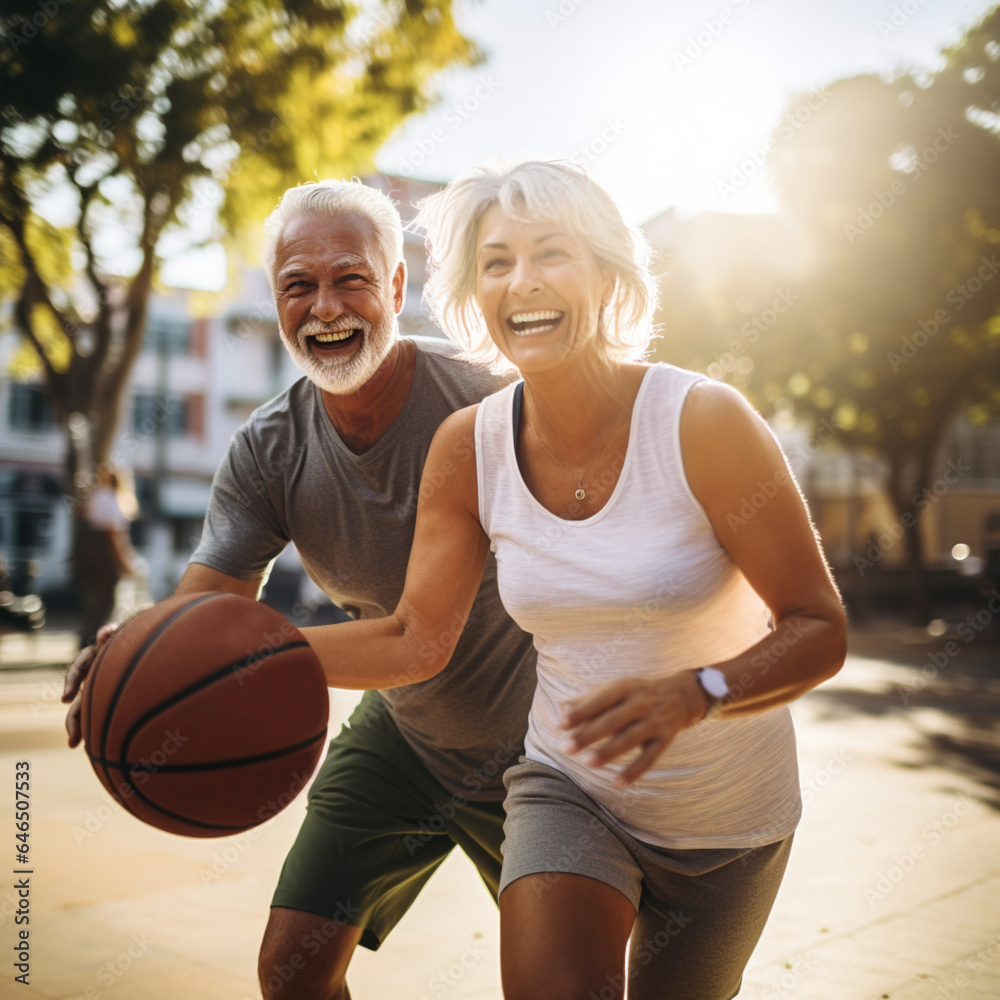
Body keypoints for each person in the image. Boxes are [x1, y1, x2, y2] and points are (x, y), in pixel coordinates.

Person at [298, 161, 849, 1000]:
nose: (521, 282)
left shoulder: (704, 421)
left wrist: (698, 690)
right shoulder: (467, 447)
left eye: (551, 253)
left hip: (729, 824)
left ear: (605, 273)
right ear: (473, 292)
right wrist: (241, 656)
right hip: (570, 789)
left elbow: (819, 627)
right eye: (495, 262)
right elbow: (415, 638)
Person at [63, 179, 538, 1000]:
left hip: (540, 748)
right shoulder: (270, 449)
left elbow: (418, 639)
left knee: (578, 984)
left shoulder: (492, 399)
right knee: (292, 973)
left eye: (350, 278)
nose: (324, 307)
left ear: (395, 287)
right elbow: (204, 616)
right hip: (408, 739)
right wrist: (141, 649)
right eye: (297, 285)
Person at [75, 465, 139, 648]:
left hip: (90, 556)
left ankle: (86, 640)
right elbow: (113, 536)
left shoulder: (96, 498)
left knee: (95, 600)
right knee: (106, 600)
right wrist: (123, 562)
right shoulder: (111, 499)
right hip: (105, 559)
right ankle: (94, 642)